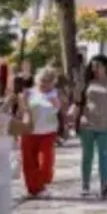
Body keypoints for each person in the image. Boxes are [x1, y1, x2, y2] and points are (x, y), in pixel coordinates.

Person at [77, 55, 107, 199]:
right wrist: (80, 115)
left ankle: (104, 185)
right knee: (87, 155)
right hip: (87, 124)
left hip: (106, 124)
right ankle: (85, 185)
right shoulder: (88, 82)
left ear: (105, 67)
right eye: (92, 66)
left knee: (104, 155)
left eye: (97, 66)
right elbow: (79, 101)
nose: (94, 69)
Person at [21, 67, 61, 198]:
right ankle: (33, 190)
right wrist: (24, 101)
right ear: (37, 80)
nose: (44, 84)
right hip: (29, 131)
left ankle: (41, 184)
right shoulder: (30, 92)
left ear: (53, 83)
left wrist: (55, 103)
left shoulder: (54, 94)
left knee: (46, 162)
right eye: (42, 80)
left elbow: (57, 109)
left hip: (47, 133)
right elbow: (22, 110)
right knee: (29, 162)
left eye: (48, 81)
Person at [0, 86, 29, 214]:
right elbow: (28, 127)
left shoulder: (2, 118)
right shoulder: (2, 119)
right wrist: (26, 109)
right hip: (1, 175)